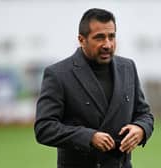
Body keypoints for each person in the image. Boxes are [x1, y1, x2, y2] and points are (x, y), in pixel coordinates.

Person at [34, 8, 154, 168]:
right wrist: (88, 137)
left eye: (112, 36)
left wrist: (141, 129)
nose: (107, 44)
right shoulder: (58, 74)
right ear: (81, 40)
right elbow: (44, 128)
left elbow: (144, 114)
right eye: (99, 37)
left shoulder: (128, 67)